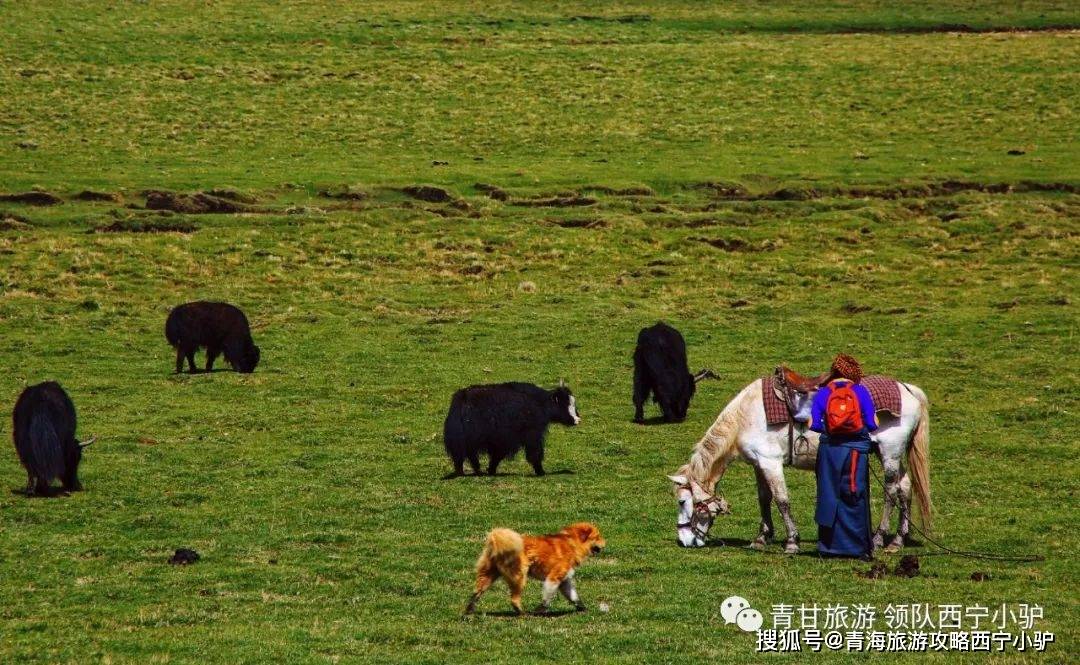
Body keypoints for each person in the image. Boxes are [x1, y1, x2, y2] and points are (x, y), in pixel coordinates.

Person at [807, 354, 877, 559]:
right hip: (855, 452)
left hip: (829, 452)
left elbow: (813, 423)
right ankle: (856, 547)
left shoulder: (823, 393)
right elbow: (873, 424)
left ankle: (828, 547)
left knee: (828, 494)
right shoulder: (860, 391)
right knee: (854, 493)